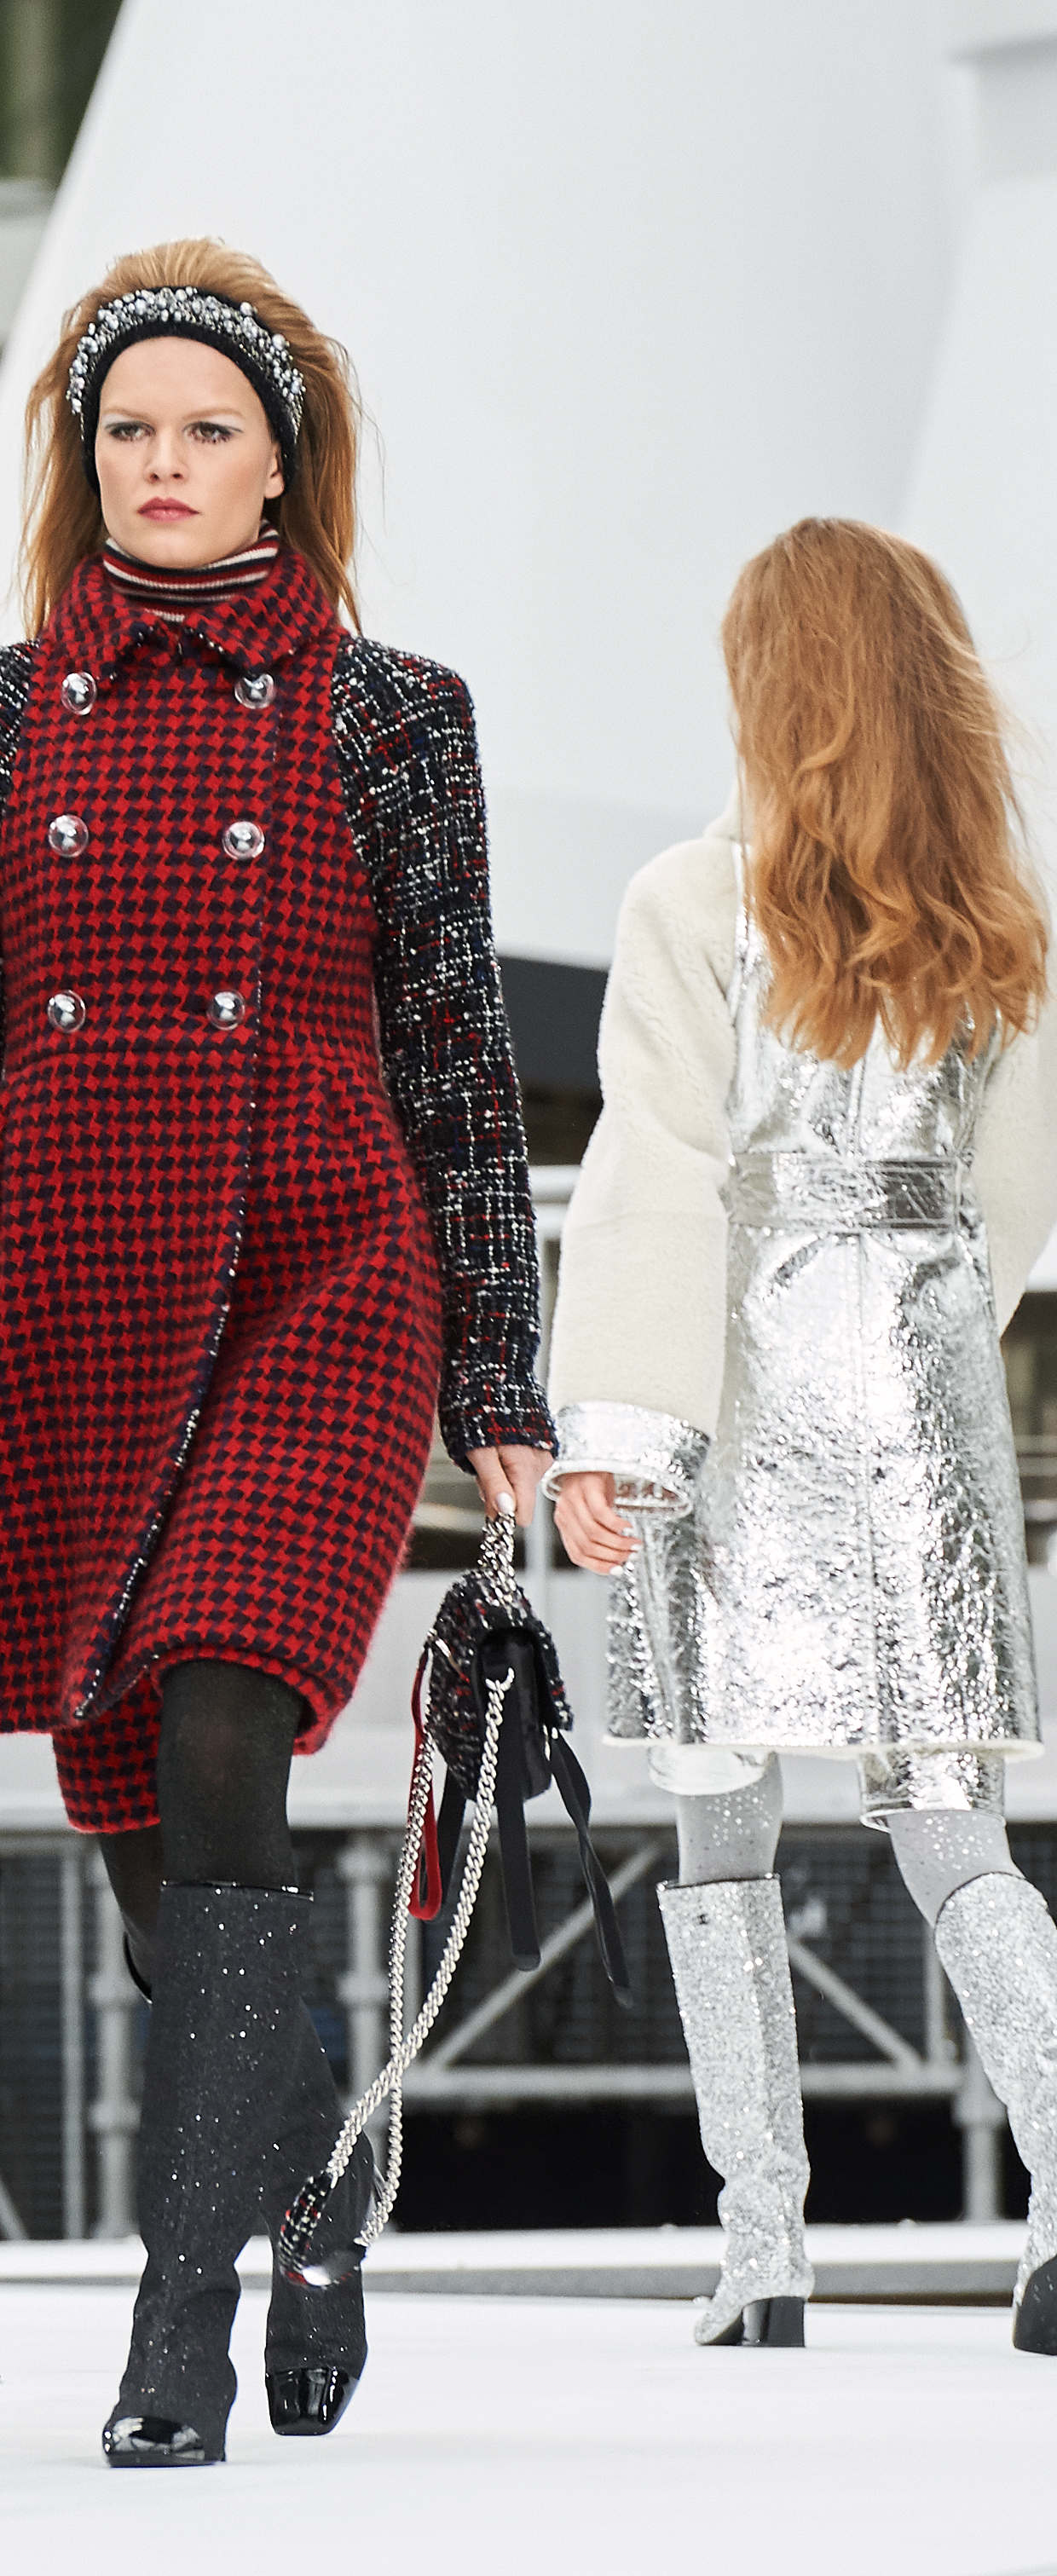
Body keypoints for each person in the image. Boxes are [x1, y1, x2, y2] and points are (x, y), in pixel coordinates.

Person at [0, 240, 552, 2461]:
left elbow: (459, 1065)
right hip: (63, 1282)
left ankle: (177, 2315)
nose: (162, 462)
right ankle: (308, 2194)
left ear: (280, 464)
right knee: (146, 1831)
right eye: (128, 429)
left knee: (227, 1723)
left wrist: (499, 1379)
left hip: (324, 1263)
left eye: (206, 429)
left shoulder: (393, 712)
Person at [547, 519, 1057, 2354]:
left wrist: (618, 1428)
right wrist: (923, 1327)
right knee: (948, 1814)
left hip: (734, 1373)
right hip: (917, 1380)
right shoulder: (996, 924)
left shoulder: (692, 902)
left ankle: (762, 2253)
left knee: (719, 1811)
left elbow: (658, 1168)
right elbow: (1014, 1194)